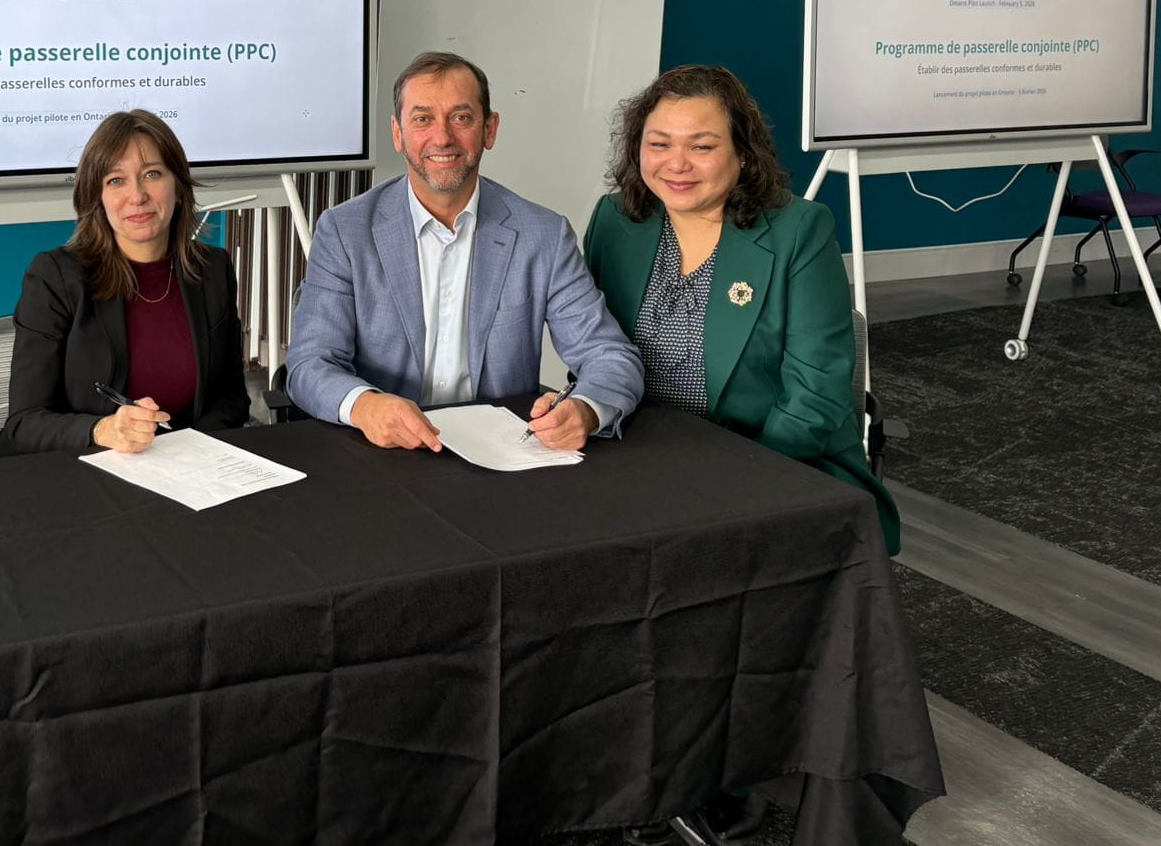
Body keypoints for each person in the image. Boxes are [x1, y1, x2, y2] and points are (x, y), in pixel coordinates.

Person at [582, 64, 899, 554]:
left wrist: (731, 483)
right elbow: (594, 349)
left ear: (744, 156)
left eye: (702, 146)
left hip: (769, 459)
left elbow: (814, 397)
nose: (676, 164)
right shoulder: (617, 220)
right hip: (638, 457)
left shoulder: (800, 230)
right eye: (659, 143)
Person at [287, 51, 642, 448]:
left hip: (503, 457)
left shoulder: (543, 234)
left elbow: (610, 355)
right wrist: (365, 406)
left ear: (489, 130)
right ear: (398, 133)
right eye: (422, 119)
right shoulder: (345, 231)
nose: (442, 137)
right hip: (380, 453)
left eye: (461, 118)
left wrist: (586, 409)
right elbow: (308, 364)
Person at [0, 109, 250, 456]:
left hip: (181, 474)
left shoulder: (212, 270)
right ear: (96, 197)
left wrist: (189, 452)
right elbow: (24, 422)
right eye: (115, 180)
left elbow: (231, 399)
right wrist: (103, 429)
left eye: (152, 174)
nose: (137, 195)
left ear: (178, 185)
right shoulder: (56, 276)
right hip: (72, 472)